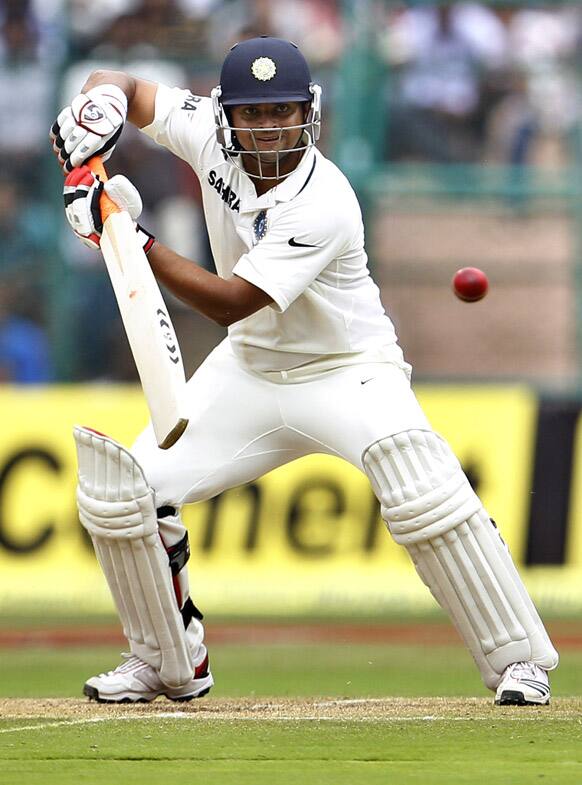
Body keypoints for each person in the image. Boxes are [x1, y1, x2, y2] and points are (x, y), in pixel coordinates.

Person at [51, 36, 558, 706]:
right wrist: (99, 107)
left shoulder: (327, 200)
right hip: (251, 367)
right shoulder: (206, 131)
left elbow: (231, 298)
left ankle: (521, 662)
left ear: (308, 111)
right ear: (225, 113)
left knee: (421, 487)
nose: (268, 127)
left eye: (282, 111)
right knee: (125, 493)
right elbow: (124, 82)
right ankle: (166, 661)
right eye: (254, 113)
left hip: (349, 369)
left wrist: (123, 232)